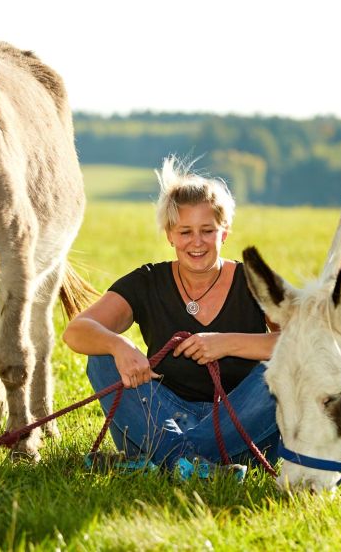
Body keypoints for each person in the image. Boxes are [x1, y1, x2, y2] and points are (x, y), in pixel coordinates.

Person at [62, 156, 279, 478]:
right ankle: (194, 463)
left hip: (239, 422)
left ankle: (164, 461)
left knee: (282, 374)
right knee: (102, 358)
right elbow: (77, 331)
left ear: (225, 233)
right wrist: (119, 346)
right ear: (170, 235)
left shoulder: (255, 281)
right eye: (185, 231)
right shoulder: (147, 282)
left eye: (208, 230)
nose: (197, 242)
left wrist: (225, 343)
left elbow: (302, 344)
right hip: (164, 419)